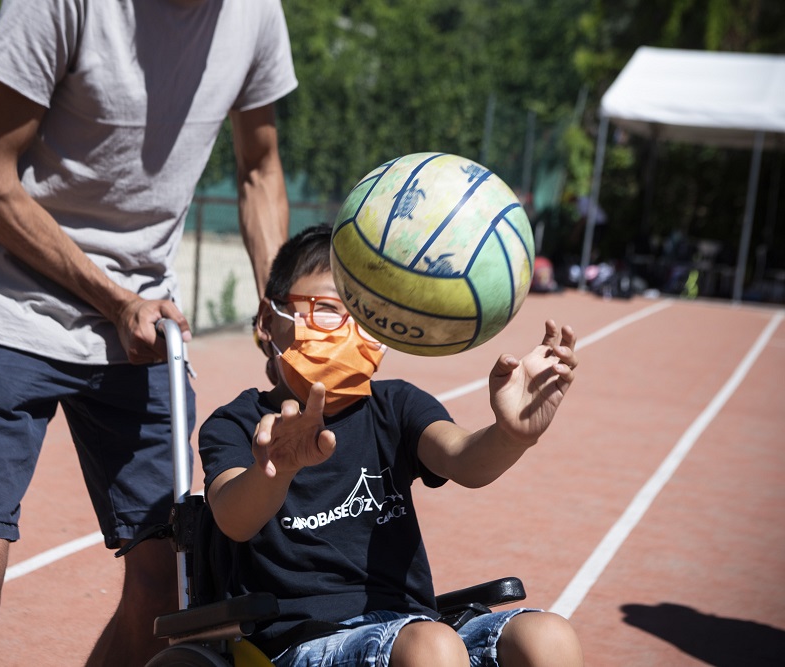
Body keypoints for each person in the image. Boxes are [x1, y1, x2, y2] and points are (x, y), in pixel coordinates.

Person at [0, 1, 296, 666]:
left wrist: (277, 305)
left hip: (143, 328)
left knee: (168, 592)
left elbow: (259, 167)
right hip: (11, 307)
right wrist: (114, 299)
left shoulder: (255, 13)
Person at [199, 224, 584, 667]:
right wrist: (276, 471)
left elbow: (463, 458)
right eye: (329, 310)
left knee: (548, 636)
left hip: (410, 625)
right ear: (269, 320)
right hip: (305, 641)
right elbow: (233, 518)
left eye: (366, 317)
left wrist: (511, 435)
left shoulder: (395, 404)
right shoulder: (237, 424)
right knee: (432, 646)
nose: (348, 331)